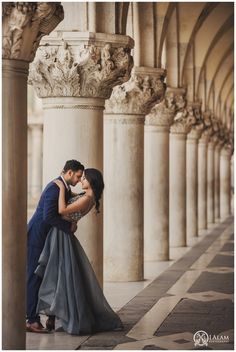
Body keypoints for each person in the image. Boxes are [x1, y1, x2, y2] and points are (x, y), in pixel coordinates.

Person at [34, 168, 123, 335]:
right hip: (61, 234)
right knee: (58, 275)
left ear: (92, 181)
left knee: (59, 275)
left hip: (61, 236)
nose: (81, 180)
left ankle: (54, 314)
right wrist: (66, 188)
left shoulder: (87, 198)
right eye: (80, 177)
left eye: (84, 178)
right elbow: (71, 202)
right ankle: (52, 314)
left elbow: (61, 210)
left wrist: (60, 187)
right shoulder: (88, 196)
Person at [26, 160, 84, 333]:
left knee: (47, 277)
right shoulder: (54, 187)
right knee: (34, 277)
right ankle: (31, 320)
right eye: (78, 176)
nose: (80, 180)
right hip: (37, 237)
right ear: (69, 173)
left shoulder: (63, 187)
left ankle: (49, 317)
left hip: (47, 238)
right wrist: (69, 228)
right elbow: (49, 216)